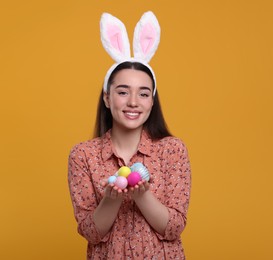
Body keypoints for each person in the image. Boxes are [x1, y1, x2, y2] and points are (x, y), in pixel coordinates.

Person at [68, 11, 191, 259]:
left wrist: (142, 195)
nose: (133, 102)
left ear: (152, 101)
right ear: (107, 97)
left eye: (144, 94)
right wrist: (111, 199)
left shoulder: (172, 150)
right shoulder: (83, 156)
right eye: (123, 92)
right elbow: (91, 233)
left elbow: (174, 228)